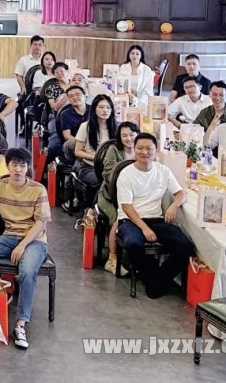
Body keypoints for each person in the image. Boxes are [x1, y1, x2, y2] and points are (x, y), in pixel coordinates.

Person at [0, 147, 50, 349]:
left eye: (23, 165)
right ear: (8, 166)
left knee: (27, 270)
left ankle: (20, 324)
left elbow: (41, 223)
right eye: (14, 164)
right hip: (9, 236)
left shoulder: (38, 189)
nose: (18, 169)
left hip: (35, 240)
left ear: (28, 168)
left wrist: (23, 245)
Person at [116, 133, 192, 298]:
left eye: (148, 148)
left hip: (155, 218)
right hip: (130, 220)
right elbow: (126, 207)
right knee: (133, 243)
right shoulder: (126, 174)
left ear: (156, 150)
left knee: (185, 246)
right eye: (140, 148)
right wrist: (144, 228)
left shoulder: (162, 170)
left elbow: (180, 192)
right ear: (134, 149)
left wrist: (173, 206)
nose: (144, 152)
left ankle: (158, 278)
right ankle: (152, 277)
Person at [96, 121, 138, 276]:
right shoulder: (113, 150)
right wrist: (124, 185)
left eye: (132, 135)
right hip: (109, 196)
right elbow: (108, 174)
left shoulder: (141, 151)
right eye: (124, 135)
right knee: (119, 218)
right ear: (119, 137)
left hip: (133, 197)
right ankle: (112, 259)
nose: (128, 138)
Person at [72, 94, 117, 188]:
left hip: (110, 167)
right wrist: (97, 158)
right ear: (94, 109)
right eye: (101, 107)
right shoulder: (86, 126)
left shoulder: (116, 127)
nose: (105, 110)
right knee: (104, 182)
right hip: (90, 167)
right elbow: (77, 151)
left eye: (108, 107)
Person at [48, 86, 86, 165]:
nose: (75, 97)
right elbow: (67, 136)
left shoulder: (93, 110)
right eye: (71, 96)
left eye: (78, 94)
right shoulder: (65, 114)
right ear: (69, 99)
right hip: (73, 142)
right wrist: (82, 144)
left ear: (84, 96)